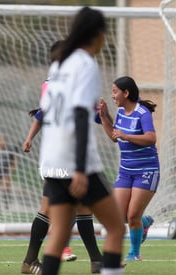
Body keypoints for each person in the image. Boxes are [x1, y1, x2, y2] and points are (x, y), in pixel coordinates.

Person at [39, 7, 125, 275]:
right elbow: (78, 114)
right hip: (76, 161)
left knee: (60, 233)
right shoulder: (86, 65)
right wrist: (78, 167)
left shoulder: (59, 64)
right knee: (115, 228)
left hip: (51, 159)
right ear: (98, 35)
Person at [21, 41, 102, 275]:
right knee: (64, 208)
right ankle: (33, 260)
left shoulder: (52, 84)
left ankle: (95, 260)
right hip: (65, 155)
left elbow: (45, 114)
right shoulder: (65, 85)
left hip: (59, 154)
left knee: (77, 207)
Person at [97, 76, 159, 262]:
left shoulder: (143, 113)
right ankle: (145, 222)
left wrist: (126, 135)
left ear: (126, 93)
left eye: (115, 91)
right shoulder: (122, 112)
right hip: (125, 170)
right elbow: (115, 136)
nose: (112, 95)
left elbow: (151, 138)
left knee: (132, 216)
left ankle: (134, 253)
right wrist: (104, 117)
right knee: (119, 215)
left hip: (147, 170)